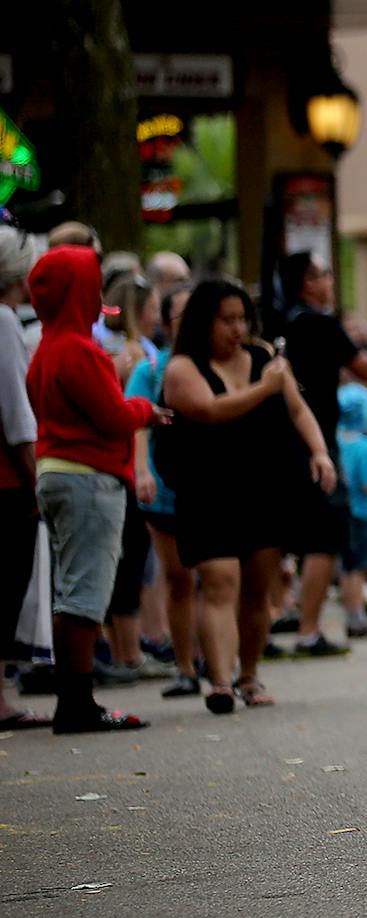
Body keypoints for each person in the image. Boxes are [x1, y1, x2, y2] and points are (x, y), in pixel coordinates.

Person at [161, 279, 336, 712]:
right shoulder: (182, 368)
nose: (237, 328)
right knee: (219, 582)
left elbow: (298, 408)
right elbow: (211, 410)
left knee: (258, 589)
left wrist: (319, 452)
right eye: (227, 320)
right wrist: (267, 387)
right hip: (208, 491)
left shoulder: (265, 359)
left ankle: (249, 675)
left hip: (264, 488)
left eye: (242, 319)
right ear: (205, 322)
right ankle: (219, 682)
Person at [25, 245, 165, 733]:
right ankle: (78, 703)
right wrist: (148, 409)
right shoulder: (79, 350)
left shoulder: (46, 347)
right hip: (88, 479)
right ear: (76, 292)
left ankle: (74, 698)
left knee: (71, 590)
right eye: (91, 286)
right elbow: (113, 416)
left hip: (55, 472)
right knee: (86, 592)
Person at [271, 252, 367, 658]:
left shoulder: (282, 323)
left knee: (276, 538)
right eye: (324, 273)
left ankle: (270, 623)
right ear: (307, 281)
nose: (329, 280)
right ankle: (308, 630)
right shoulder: (320, 323)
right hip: (315, 442)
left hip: (280, 443)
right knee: (325, 536)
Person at [125, 287, 201, 698]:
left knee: (219, 578)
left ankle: (221, 662)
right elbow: (135, 419)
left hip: (214, 489)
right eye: (182, 313)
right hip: (166, 489)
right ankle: (187, 666)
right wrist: (142, 471)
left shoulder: (223, 362)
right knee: (180, 579)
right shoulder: (153, 367)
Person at [0, 224, 47, 730]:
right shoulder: (5, 323)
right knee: (8, 582)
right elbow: (16, 414)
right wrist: (34, 479)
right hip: (7, 480)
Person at [335, 382, 367, 639]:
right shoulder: (365, 446)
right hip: (364, 514)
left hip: (345, 512)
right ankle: (358, 619)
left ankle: (351, 615)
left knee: (347, 568)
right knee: (360, 569)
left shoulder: (337, 441)